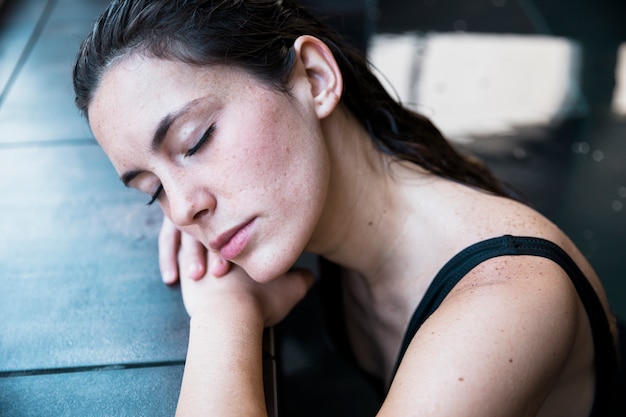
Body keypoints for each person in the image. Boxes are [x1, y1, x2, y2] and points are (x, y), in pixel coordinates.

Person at [72, 0, 623, 415]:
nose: (184, 210)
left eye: (195, 141)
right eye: (152, 189)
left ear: (314, 78)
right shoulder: (340, 207)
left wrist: (224, 315)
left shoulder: (507, 300)